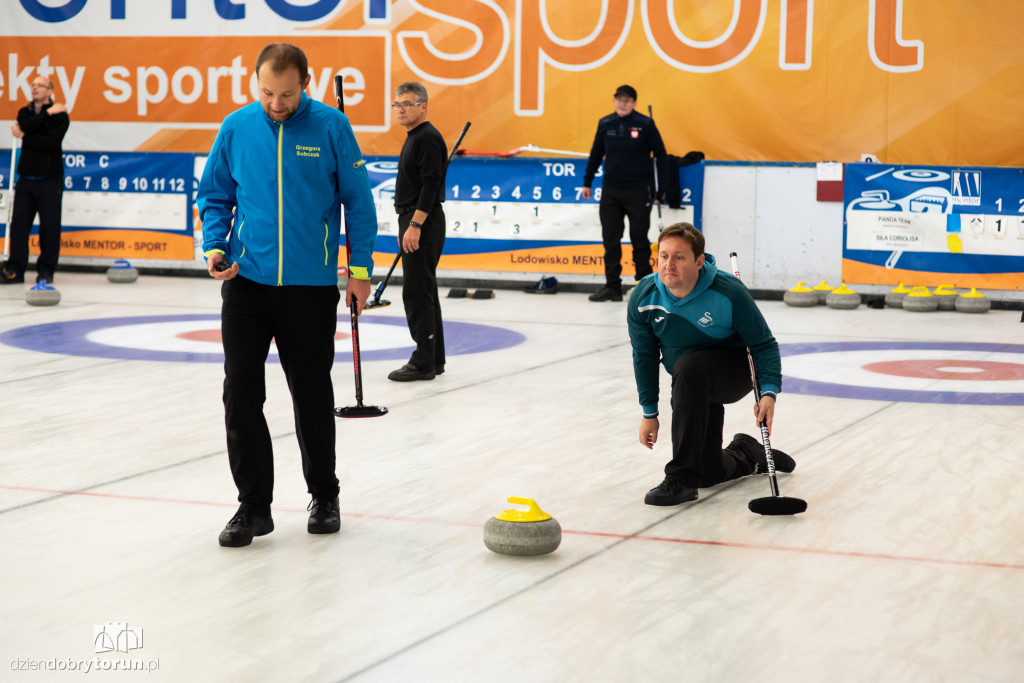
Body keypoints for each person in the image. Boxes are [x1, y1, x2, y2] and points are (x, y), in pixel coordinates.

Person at [197, 43, 378, 547]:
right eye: (267, 93)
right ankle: (253, 507)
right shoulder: (236, 127)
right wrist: (214, 246)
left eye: (287, 94)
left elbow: (358, 204)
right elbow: (215, 195)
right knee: (241, 395)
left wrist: (359, 272)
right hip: (247, 283)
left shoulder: (331, 127)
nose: (277, 103)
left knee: (312, 394)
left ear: (307, 83)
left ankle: (324, 494)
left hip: (309, 287)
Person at [627, 222, 796, 506]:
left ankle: (680, 479)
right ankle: (746, 455)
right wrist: (649, 412)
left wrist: (768, 392)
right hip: (691, 383)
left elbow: (764, 345)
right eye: (664, 256)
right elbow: (643, 356)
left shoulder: (728, 291)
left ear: (698, 261)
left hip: (733, 372)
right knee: (707, 472)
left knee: (689, 367)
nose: (669, 264)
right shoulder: (644, 297)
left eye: (679, 257)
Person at [387, 81, 448, 382]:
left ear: (423, 106)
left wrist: (414, 225)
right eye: (396, 104)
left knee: (416, 292)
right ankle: (433, 358)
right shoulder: (416, 137)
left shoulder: (427, 138)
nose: (400, 109)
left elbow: (430, 185)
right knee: (425, 289)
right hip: (416, 219)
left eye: (406, 104)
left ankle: (423, 361)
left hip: (421, 221)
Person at [581, 84, 666, 302]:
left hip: (639, 190)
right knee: (610, 239)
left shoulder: (645, 124)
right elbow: (595, 154)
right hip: (611, 190)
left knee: (639, 239)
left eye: (627, 100)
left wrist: (661, 188)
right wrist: (587, 182)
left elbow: (661, 155)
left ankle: (643, 287)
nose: (622, 103)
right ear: (614, 100)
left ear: (634, 103)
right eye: (619, 99)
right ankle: (612, 287)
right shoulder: (605, 123)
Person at [1, 76, 70, 285]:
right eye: (32, 85)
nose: (35, 88)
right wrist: (46, 114)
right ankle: (15, 269)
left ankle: (46, 270)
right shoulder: (25, 112)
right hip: (26, 180)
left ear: (50, 91)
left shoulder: (60, 117)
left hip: (50, 180)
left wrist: (25, 135)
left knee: (49, 227)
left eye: (40, 85)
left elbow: (50, 142)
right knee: (19, 225)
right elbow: (27, 125)